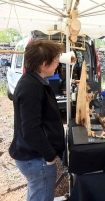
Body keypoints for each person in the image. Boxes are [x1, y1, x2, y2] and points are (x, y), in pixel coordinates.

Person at [9, 40, 65, 201]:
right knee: (41, 196)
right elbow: (31, 129)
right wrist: (49, 156)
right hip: (35, 158)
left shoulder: (34, 81)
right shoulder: (31, 87)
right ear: (43, 63)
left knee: (37, 195)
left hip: (34, 156)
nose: (57, 63)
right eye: (55, 59)